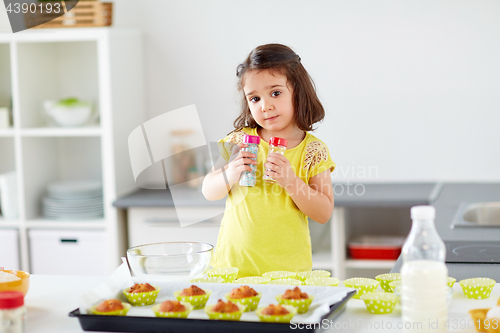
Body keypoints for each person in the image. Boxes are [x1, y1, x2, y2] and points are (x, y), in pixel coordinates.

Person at [202, 43, 335, 277]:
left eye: (275, 93)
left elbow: (323, 213)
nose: (265, 106)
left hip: (289, 273)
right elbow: (208, 190)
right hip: (233, 269)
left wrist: (292, 182)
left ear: (298, 91)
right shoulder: (239, 141)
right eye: (254, 99)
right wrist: (230, 173)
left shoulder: (313, 150)